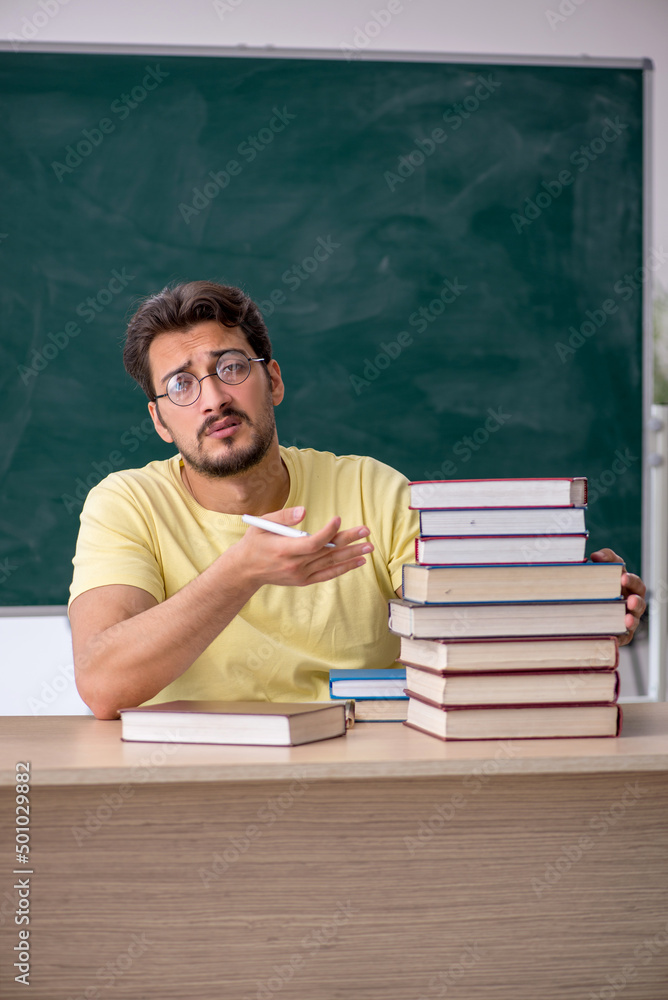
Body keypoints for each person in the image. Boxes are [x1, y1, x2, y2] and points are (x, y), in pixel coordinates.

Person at [68, 281, 646, 720]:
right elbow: (102, 685)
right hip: (191, 780)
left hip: (363, 762)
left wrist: (572, 619)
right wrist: (238, 573)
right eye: (181, 384)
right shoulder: (126, 503)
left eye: (231, 367)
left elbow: (465, 630)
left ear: (273, 382)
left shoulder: (372, 488)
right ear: (160, 420)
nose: (213, 398)